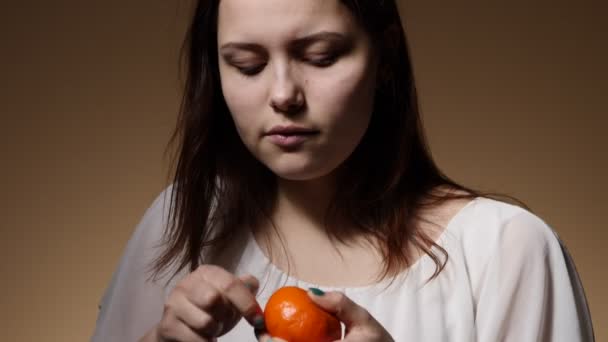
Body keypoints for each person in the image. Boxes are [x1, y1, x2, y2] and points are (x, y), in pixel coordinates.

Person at [91, 0, 595, 341]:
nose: (283, 94)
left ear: (387, 54)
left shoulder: (504, 252)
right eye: (247, 64)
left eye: (321, 56)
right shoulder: (179, 226)